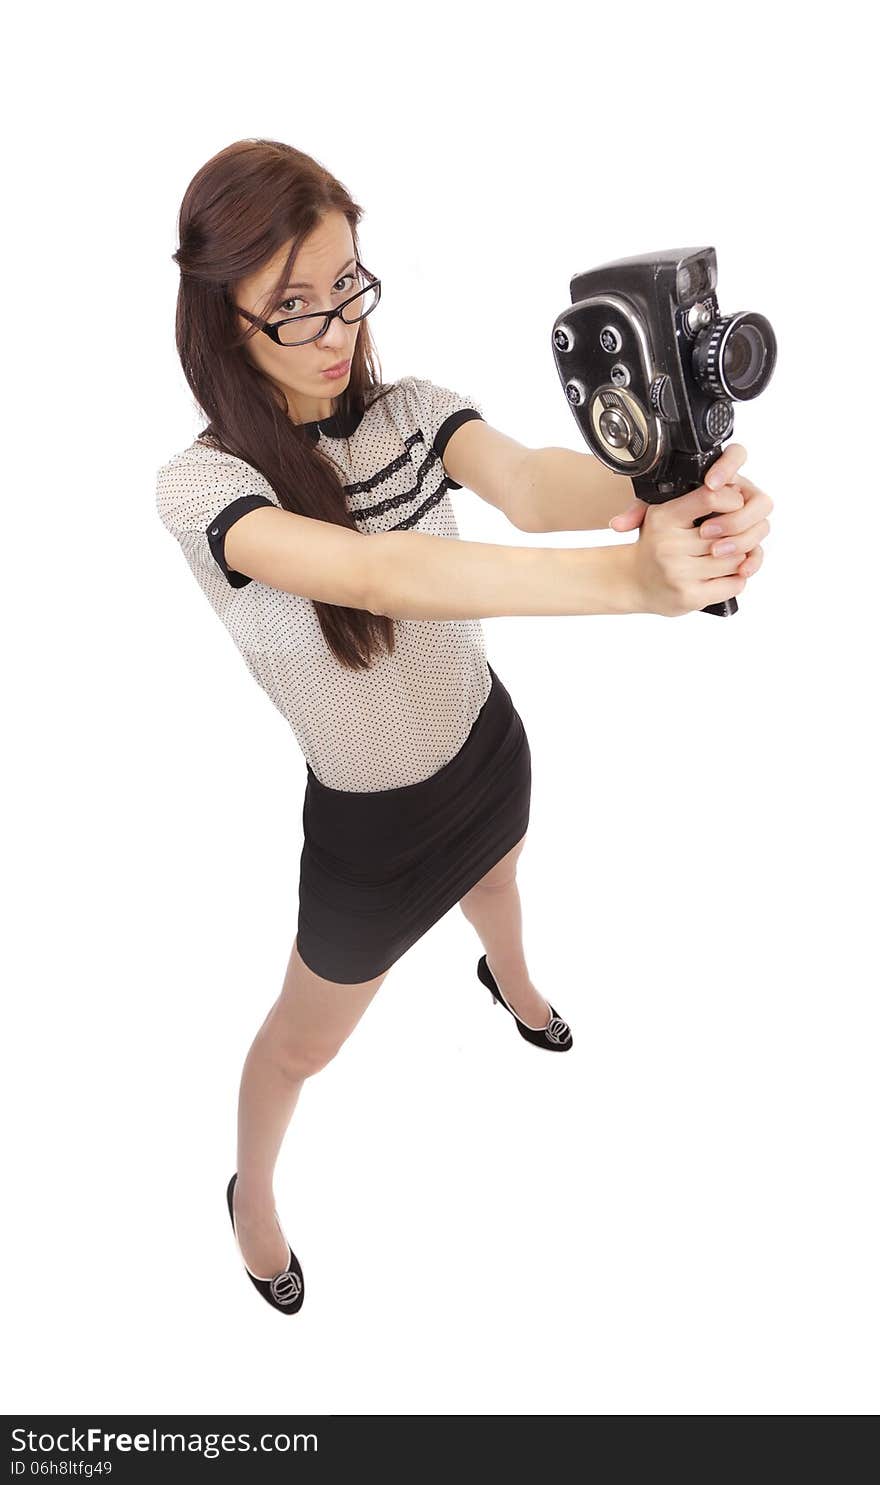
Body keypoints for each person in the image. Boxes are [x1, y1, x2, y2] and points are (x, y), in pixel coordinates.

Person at [156, 138, 773, 1314]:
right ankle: (252, 1200)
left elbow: (536, 483)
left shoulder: (408, 411)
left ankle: (514, 984)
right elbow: (372, 575)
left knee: (500, 883)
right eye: (292, 307)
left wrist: (669, 485)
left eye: (346, 287)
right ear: (219, 319)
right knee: (303, 1046)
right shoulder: (199, 489)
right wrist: (631, 586)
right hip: (369, 834)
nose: (335, 330)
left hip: (485, 746)